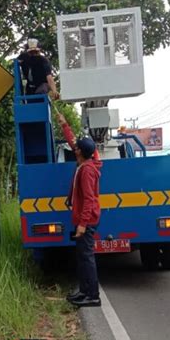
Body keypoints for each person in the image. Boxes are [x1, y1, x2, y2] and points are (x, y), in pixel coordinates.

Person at [56, 112, 102, 307]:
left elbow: (90, 200)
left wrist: (82, 224)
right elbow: (75, 142)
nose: (74, 150)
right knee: (83, 258)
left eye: (77, 150)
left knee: (87, 258)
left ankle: (92, 295)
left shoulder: (86, 170)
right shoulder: (88, 162)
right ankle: (84, 291)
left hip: (87, 221)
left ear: (81, 153)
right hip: (84, 220)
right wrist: (65, 125)